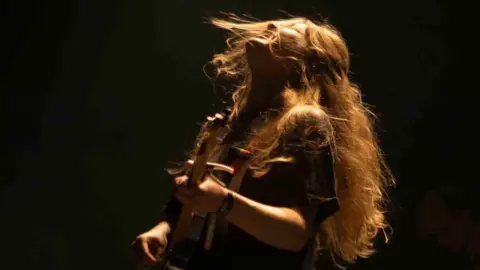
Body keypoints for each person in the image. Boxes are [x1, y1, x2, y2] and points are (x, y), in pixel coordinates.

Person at [132, 14, 394, 270]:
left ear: (310, 61)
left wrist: (224, 201)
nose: (270, 25)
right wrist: (163, 230)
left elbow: (295, 232)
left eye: (294, 29)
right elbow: (194, 209)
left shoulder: (305, 123)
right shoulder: (234, 122)